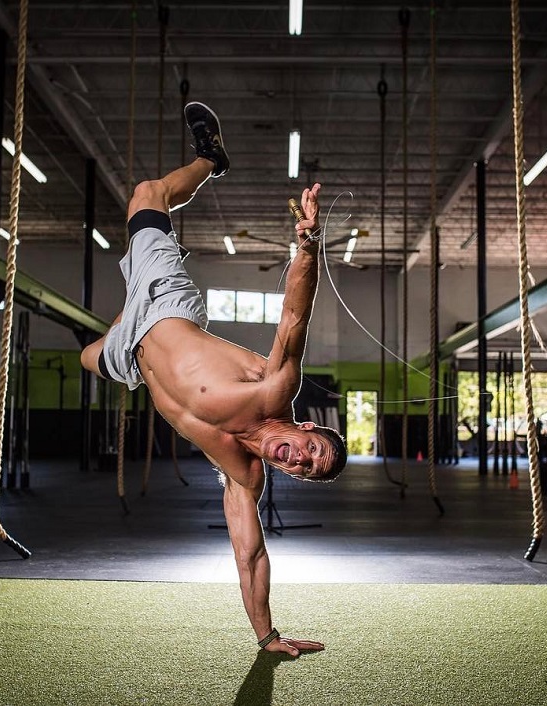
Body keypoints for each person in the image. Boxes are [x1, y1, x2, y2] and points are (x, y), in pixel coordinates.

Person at [81, 102, 347, 656]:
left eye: (308, 470)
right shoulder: (272, 389)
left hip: (132, 356)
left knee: (87, 356)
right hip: (164, 307)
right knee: (146, 194)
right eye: (312, 450)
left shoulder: (245, 474)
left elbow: (248, 554)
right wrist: (308, 245)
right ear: (302, 427)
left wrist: (267, 635)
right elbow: (294, 319)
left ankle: (121, 321)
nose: (301, 460)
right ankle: (210, 159)